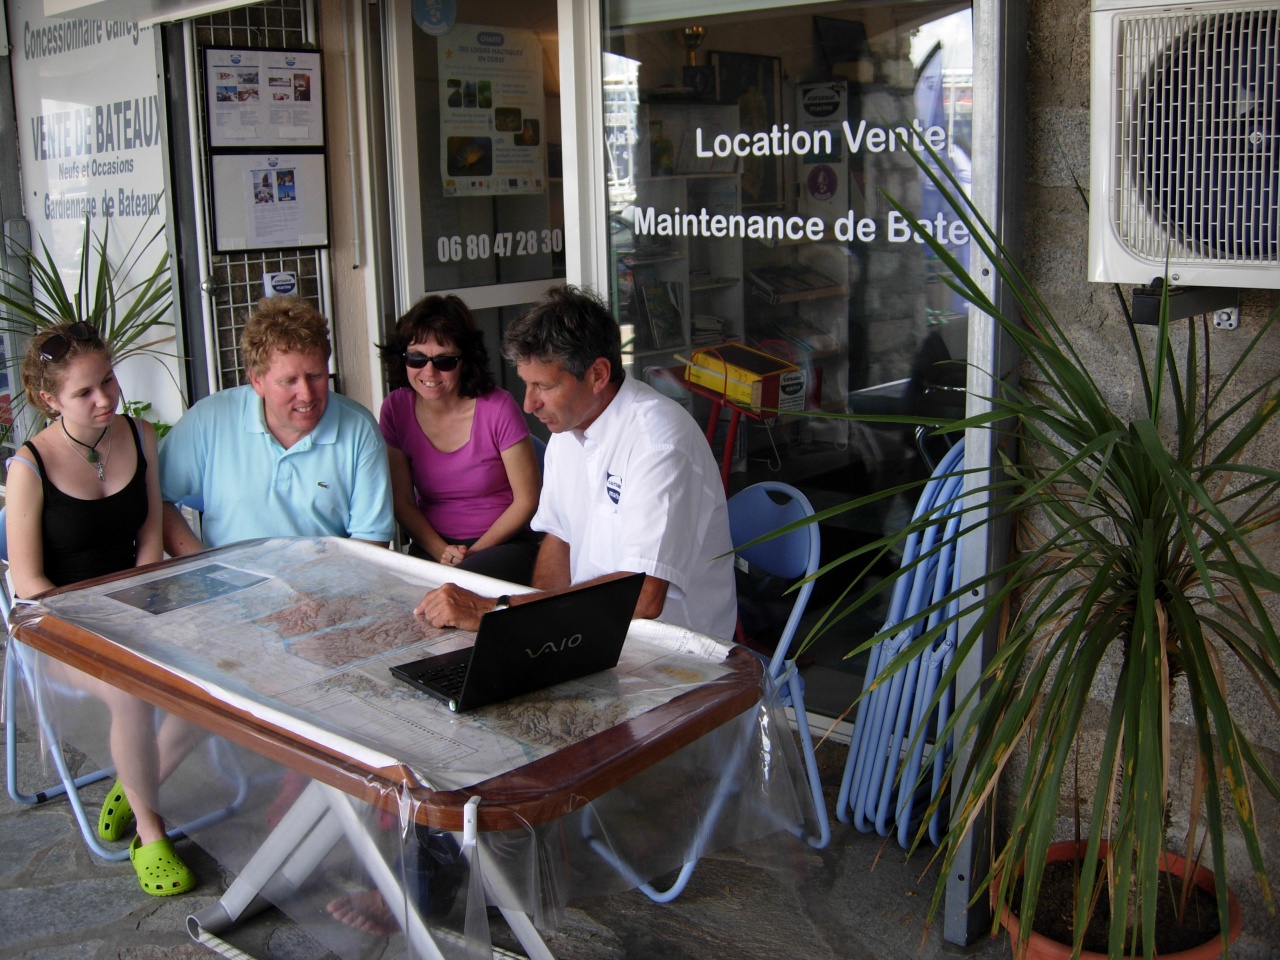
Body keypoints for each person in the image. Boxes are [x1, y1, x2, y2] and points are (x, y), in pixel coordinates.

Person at [415, 284, 736, 641]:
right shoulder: (567, 433)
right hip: (592, 634)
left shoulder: (658, 443)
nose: (529, 403)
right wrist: (542, 631)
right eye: (526, 384)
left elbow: (644, 596)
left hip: (678, 656)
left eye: (544, 386)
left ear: (598, 374)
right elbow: (559, 537)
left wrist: (500, 610)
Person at [5, 322, 198, 896]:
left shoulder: (139, 435)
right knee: (132, 690)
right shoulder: (29, 467)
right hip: (61, 628)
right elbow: (30, 584)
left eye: (109, 380)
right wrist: (102, 625)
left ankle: (138, 777)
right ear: (49, 400)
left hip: (137, 604)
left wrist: (142, 599)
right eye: (85, 392)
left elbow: (148, 535)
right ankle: (150, 830)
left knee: (221, 681)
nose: (105, 399)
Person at [160, 295, 394, 554]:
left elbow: (372, 542)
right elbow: (153, 498)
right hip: (232, 587)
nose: (306, 394)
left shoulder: (359, 429)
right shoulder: (210, 419)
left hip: (324, 588)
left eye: (315, 376)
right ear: (257, 381)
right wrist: (200, 565)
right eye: (289, 381)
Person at [377, 295, 541, 583]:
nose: (429, 372)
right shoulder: (395, 409)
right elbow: (402, 502)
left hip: (502, 544)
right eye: (416, 358)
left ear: (465, 361)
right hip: (434, 546)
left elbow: (527, 500)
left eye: (444, 361)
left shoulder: (498, 407)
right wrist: (443, 552)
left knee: (454, 590)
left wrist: (472, 553)